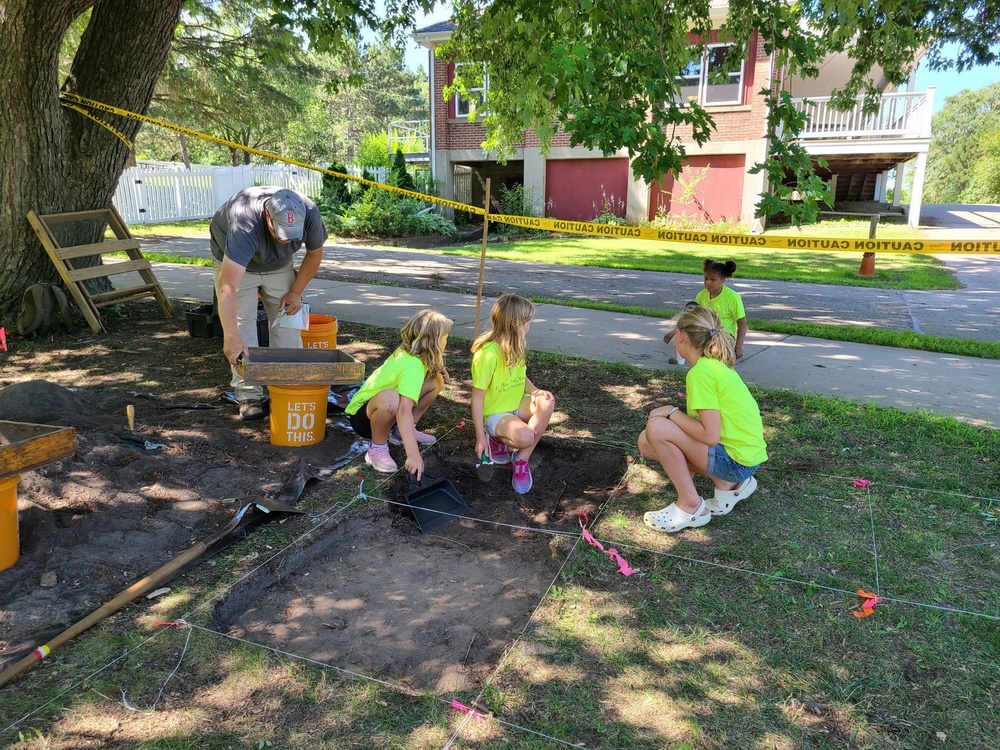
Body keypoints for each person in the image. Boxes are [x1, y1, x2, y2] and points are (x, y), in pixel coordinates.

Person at [639, 305, 767, 533]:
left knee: (658, 429)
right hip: (744, 458)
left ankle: (691, 507)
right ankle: (728, 485)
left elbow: (709, 435)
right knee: (647, 441)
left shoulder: (700, 373)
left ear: (680, 336)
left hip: (736, 461)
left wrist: (671, 412)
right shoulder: (714, 366)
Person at [211, 186, 328, 421]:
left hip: (279, 266)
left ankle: (285, 387)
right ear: (268, 217)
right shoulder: (245, 224)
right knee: (242, 325)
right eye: (282, 235)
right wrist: (230, 336)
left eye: (292, 237)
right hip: (236, 265)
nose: (286, 242)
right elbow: (228, 288)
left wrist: (296, 292)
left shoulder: (311, 213)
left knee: (288, 321)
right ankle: (248, 395)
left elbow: (314, 255)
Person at [345, 309, 452, 479]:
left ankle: (400, 434)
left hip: (384, 408)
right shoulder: (412, 368)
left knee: (435, 380)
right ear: (435, 342)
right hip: (363, 419)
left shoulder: (412, 353)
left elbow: (428, 369)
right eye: (445, 336)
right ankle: (377, 448)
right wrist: (414, 455)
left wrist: (439, 368)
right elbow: (403, 410)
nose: (447, 340)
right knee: (392, 399)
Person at [471, 294, 555, 494]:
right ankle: (496, 438)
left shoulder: (517, 346)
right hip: (496, 414)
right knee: (526, 437)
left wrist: (536, 392)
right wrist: (480, 437)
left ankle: (521, 460)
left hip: (516, 404)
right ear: (516, 325)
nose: (529, 326)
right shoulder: (487, 354)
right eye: (528, 322)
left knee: (546, 402)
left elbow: (520, 377)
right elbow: (476, 398)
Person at [695, 258, 747, 360]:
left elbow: (742, 322)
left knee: (714, 349)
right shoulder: (701, 295)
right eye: (706, 279)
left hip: (725, 335)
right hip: (706, 333)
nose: (708, 283)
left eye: (713, 280)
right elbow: (692, 316)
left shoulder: (732, 297)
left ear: (722, 280)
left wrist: (739, 345)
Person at [662, 300, 698, 366]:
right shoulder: (684, 321)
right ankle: (680, 362)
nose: (689, 313)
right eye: (687, 310)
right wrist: (671, 334)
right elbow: (681, 326)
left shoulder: (699, 323)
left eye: (692, 311)